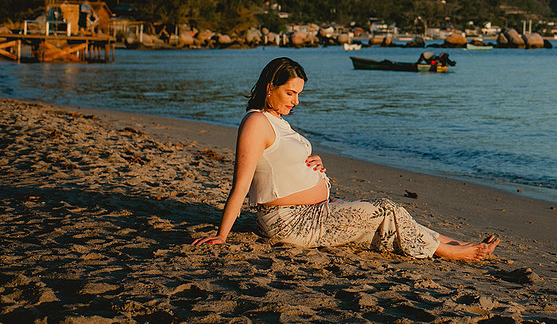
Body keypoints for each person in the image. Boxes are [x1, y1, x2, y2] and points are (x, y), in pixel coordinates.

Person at [192, 57, 499, 260]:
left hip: (312, 210)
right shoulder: (256, 123)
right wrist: (222, 235)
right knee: (384, 209)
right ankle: (453, 252)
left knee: (390, 216)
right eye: (289, 93)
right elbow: (242, 184)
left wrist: (312, 162)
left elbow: (279, 162)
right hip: (292, 222)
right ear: (270, 87)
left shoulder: (275, 121)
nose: (296, 101)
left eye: (299, 94)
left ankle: (454, 243)